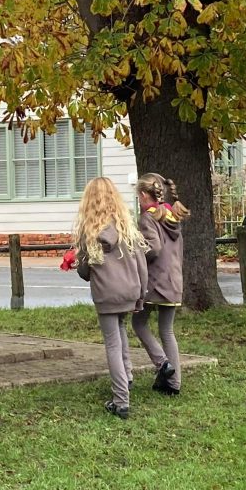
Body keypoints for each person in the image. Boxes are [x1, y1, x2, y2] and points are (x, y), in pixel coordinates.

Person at [72, 176, 149, 420]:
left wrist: (77, 261)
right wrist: (140, 295)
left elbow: (86, 271)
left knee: (112, 343)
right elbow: (141, 264)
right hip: (130, 289)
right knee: (121, 328)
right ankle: (127, 377)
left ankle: (120, 400)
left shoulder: (90, 231)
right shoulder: (126, 226)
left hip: (107, 293)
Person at [134, 173, 189, 396]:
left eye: (138, 196)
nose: (138, 200)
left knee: (139, 324)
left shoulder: (148, 218)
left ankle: (162, 363)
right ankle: (173, 384)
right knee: (167, 331)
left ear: (145, 195)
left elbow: (153, 248)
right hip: (173, 280)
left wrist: (135, 249)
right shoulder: (172, 214)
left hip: (155, 282)